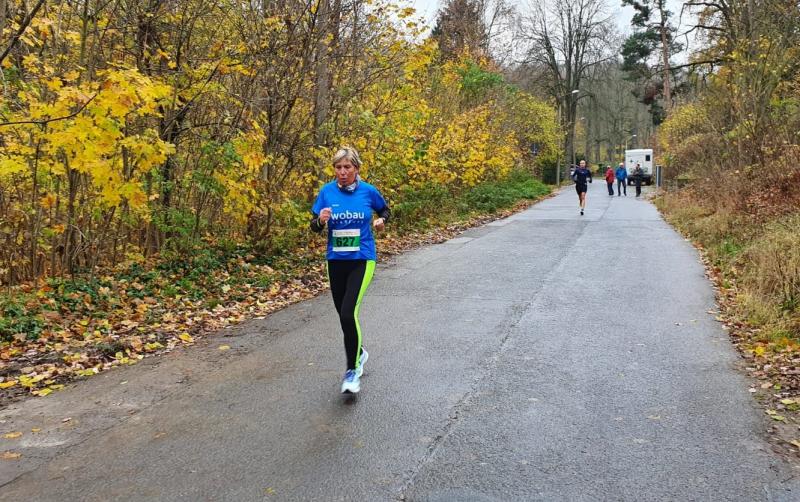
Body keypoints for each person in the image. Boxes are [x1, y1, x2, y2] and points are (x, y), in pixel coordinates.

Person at [310, 146, 390, 394]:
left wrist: (381, 221)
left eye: (347, 167)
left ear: (356, 168)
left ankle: (352, 371)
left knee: (348, 313)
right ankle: (360, 352)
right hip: (335, 260)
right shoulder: (327, 192)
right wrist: (320, 221)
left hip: (362, 259)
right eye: (338, 167)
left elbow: (385, 209)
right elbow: (314, 226)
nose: (342, 172)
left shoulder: (368, 191)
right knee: (343, 316)